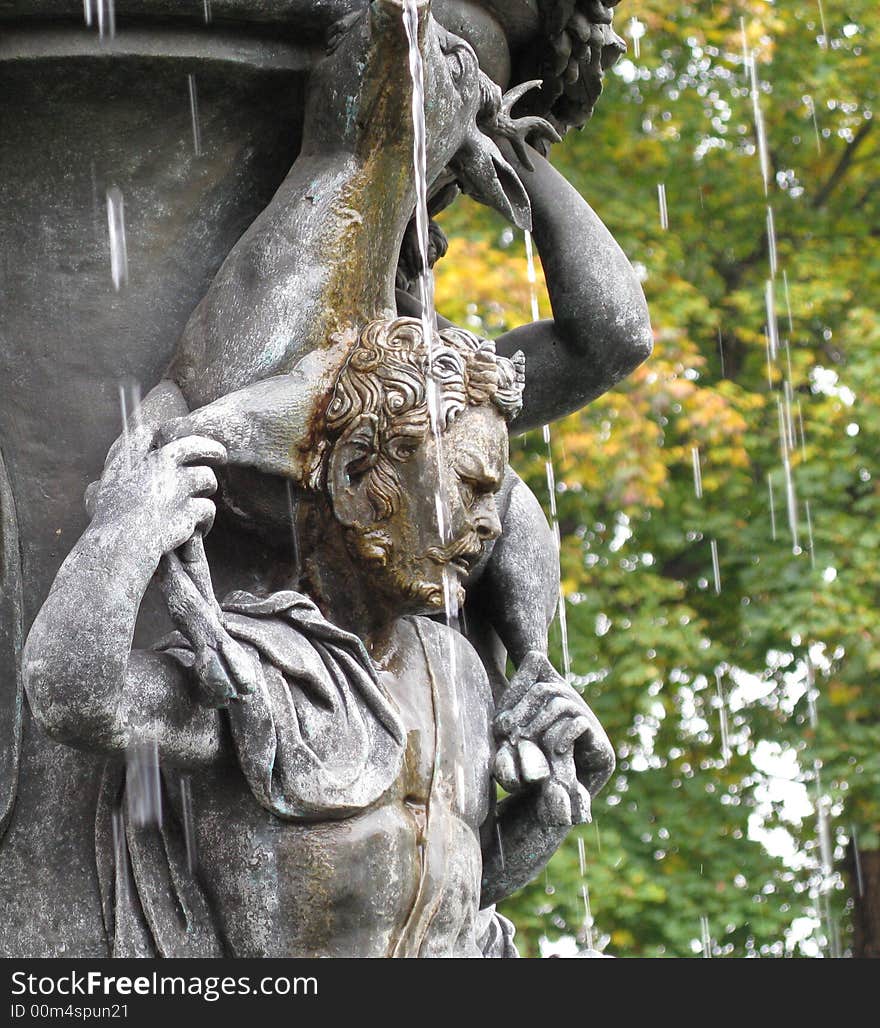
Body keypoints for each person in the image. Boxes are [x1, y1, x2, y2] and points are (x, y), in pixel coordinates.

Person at [23, 317, 613, 957]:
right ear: (356, 476)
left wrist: (546, 811)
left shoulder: (460, 673)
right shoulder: (263, 670)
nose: (489, 525)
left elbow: (447, 882)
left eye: (494, 499)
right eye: (469, 485)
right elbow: (76, 696)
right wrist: (125, 532)